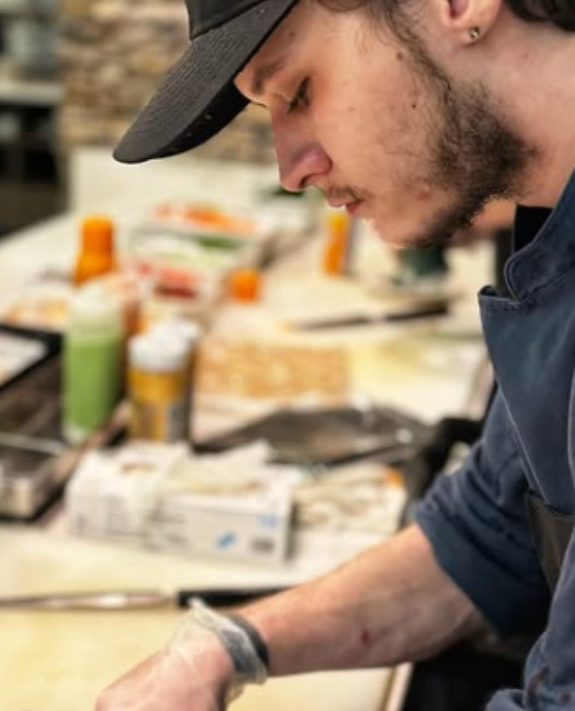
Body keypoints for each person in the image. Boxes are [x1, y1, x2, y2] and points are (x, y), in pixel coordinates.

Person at [99, 0, 575, 710]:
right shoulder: (554, 247)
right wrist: (231, 645)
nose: (291, 168)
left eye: (299, 91)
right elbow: (487, 532)